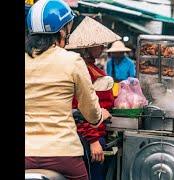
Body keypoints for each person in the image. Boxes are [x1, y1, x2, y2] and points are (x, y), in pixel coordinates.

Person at [25, 1, 111, 179]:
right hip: (62, 153)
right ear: (62, 31)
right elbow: (91, 113)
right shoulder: (72, 60)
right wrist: (100, 115)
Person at [65, 16, 120, 180]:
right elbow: (78, 109)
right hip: (88, 136)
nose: (103, 47)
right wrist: (93, 140)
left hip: (97, 131)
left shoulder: (92, 67)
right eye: (99, 44)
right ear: (87, 47)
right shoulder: (82, 69)